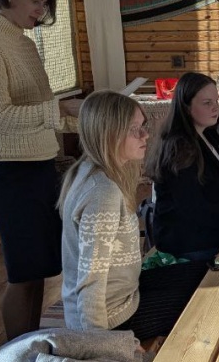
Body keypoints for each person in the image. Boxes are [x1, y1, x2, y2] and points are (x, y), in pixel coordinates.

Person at [0, 0, 80, 341]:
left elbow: (42, 111)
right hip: (10, 174)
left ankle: (29, 347)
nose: (40, 10)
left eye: (44, 3)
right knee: (23, 275)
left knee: (39, 273)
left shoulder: (24, 44)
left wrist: (85, 118)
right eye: (35, 0)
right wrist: (60, 110)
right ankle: (15, 355)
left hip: (40, 169)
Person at [59, 91, 205, 340]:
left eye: (142, 126)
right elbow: (90, 280)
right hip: (113, 319)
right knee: (206, 300)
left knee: (209, 273)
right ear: (109, 134)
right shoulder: (102, 193)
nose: (145, 135)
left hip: (126, 293)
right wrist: (102, 344)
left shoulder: (90, 170)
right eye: (134, 129)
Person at [148, 72, 219, 262]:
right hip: (190, 242)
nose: (215, 108)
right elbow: (195, 210)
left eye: (215, 101)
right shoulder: (179, 149)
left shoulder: (208, 133)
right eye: (206, 103)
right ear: (186, 106)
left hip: (211, 228)